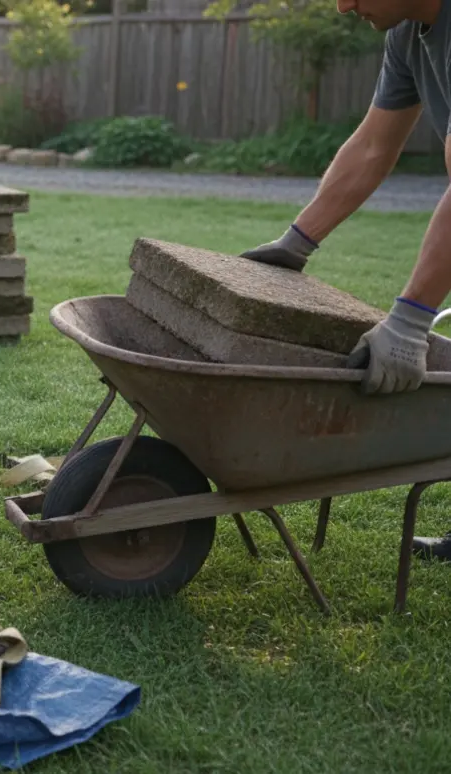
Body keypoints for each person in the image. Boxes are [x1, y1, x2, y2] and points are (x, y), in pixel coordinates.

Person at [242, 0, 451, 560]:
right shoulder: (408, 34)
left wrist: (409, 321)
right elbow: (372, 146)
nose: (343, 5)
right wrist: (297, 241)